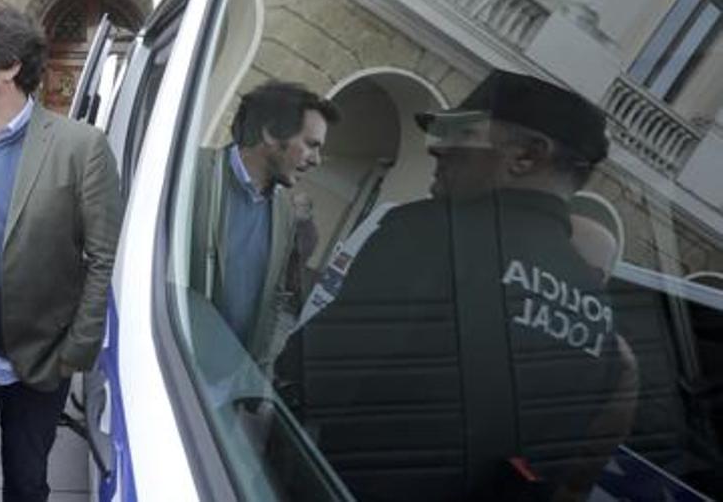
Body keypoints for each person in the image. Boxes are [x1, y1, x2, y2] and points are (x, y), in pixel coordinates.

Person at [294, 69, 637, 502]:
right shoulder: (599, 317)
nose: (438, 146)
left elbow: (306, 378)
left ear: (527, 157)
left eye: (464, 132)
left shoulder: (429, 233)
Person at [0, 0, 121, 502]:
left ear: (9, 66)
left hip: (39, 365)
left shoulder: (80, 147)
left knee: (25, 484)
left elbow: (102, 258)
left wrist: (75, 353)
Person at [190, 81, 339, 370]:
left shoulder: (285, 210)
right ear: (271, 133)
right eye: (311, 145)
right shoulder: (191, 172)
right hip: (163, 364)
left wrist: (258, 369)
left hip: (224, 384)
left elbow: (276, 297)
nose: (317, 160)